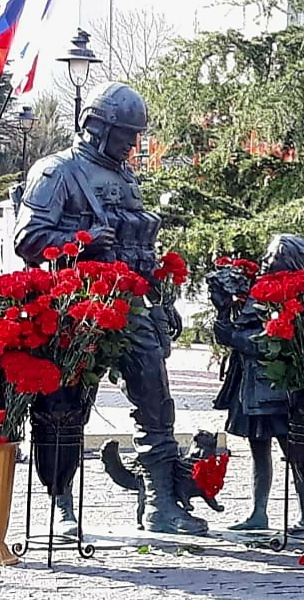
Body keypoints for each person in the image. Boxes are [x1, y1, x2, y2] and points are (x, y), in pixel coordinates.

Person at [14, 82, 207, 536]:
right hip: (74, 307)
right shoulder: (57, 172)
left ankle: (160, 502)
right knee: (65, 406)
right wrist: (76, 242)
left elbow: (141, 244)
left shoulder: (125, 176)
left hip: (130, 304)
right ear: (98, 127)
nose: (132, 143)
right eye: (125, 134)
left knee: (155, 400)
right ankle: (61, 506)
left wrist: (161, 295)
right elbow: (27, 239)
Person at [211, 234, 304, 531]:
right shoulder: (260, 291)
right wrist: (222, 309)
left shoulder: (296, 295)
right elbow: (239, 331)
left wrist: (234, 338)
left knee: (294, 453)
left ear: (288, 259)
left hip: (277, 389)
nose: (266, 261)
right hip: (251, 386)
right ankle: (259, 513)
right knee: (258, 451)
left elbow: (270, 341)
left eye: (273, 256)